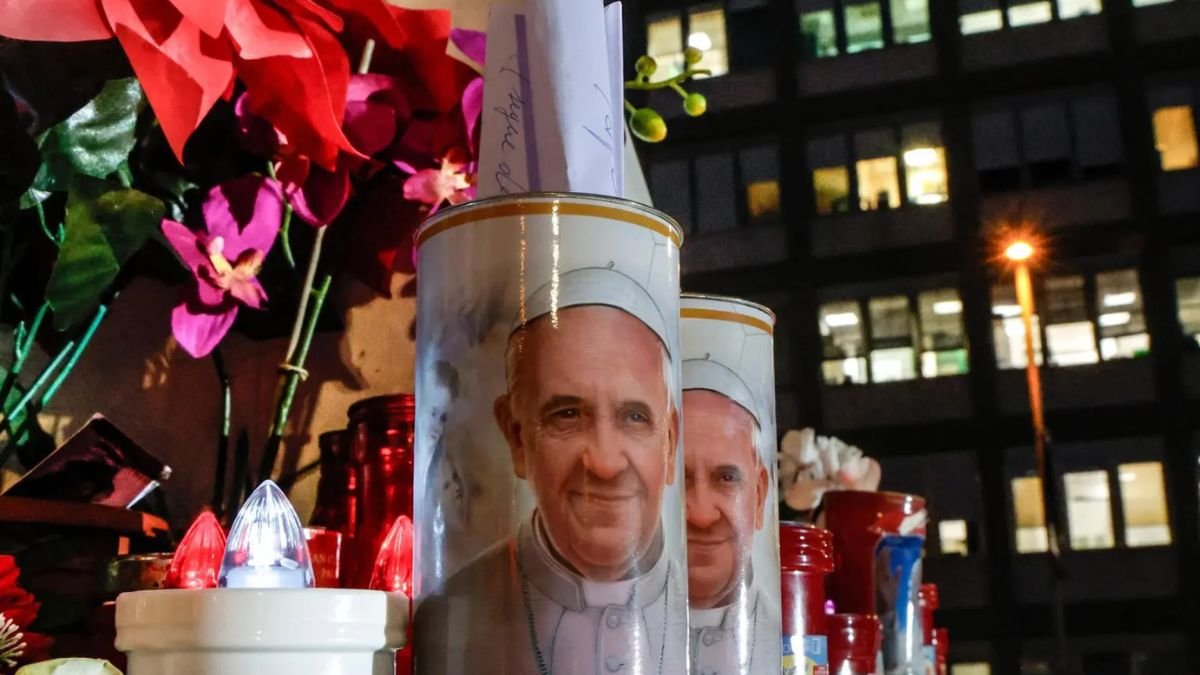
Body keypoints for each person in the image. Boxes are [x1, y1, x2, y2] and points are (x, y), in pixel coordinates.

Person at [415, 266, 687, 675]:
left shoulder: (720, 609)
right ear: (517, 437)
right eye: (568, 415)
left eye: (634, 417)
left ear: (669, 442)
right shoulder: (448, 616)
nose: (606, 463)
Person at [682, 358, 777, 675]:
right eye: (682, 480)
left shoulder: (787, 636)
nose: (701, 514)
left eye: (726, 479)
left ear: (760, 495)